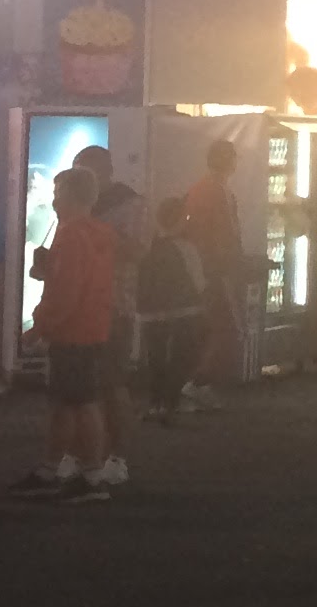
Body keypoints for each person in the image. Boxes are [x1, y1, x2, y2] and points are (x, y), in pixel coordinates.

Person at [15, 167, 118, 501]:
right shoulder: (98, 232)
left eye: (58, 193)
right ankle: (56, 470)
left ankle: (91, 477)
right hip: (91, 326)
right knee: (70, 401)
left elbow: (66, 291)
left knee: (81, 403)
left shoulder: (71, 235)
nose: (54, 200)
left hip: (72, 332)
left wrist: (39, 326)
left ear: (71, 195)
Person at [72, 145, 142, 480]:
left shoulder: (129, 204)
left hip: (114, 304)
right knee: (83, 386)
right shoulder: (80, 207)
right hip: (81, 303)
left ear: (104, 172)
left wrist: (95, 236)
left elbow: (138, 250)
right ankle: (86, 454)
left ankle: (117, 457)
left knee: (112, 383)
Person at [181, 138, 247, 399]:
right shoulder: (216, 191)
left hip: (206, 268)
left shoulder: (202, 188)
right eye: (234, 156)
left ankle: (202, 384)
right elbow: (225, 233)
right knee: (227, 329)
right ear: (226, 160)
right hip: (217, 269)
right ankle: (199, 383)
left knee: (216, 328)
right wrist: (232, 264)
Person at [136, 196, 207, 432]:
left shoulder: (148, 246)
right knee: (180, 358)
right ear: (181, 219)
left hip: (150, 312)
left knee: (155, 357)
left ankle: (155, 404)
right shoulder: (186, 248)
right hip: (184, 311)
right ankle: (170, 404)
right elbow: (198, 282)